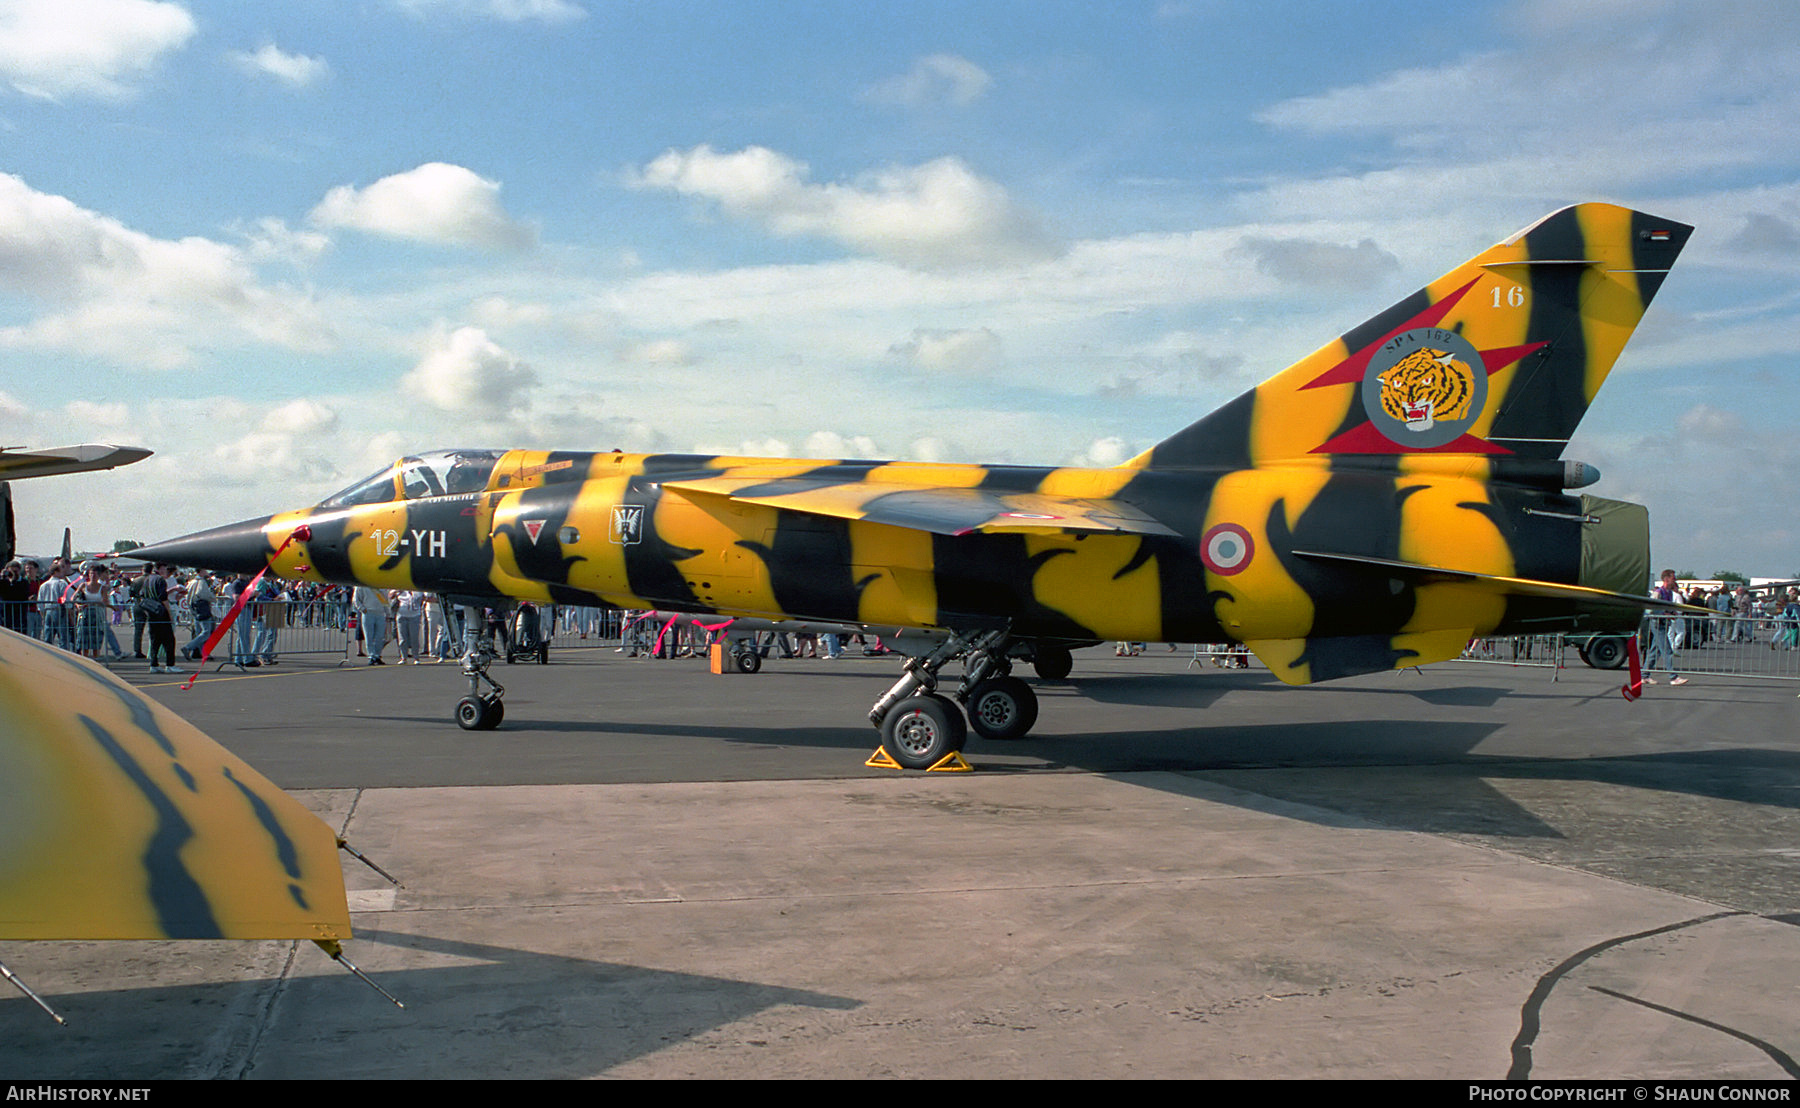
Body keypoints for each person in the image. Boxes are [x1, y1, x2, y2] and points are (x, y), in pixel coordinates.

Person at [1642, 569, 1688, 686]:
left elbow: (1667, 607)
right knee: (1667, 650)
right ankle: (1673, 677)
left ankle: (1644, 675)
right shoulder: (1658, 592)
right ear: (1666, 579)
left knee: (1655, 651)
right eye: (1673, 578)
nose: (1675, 580)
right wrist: (1664, 614)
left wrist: (1672, 613)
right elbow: (1650, 610)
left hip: (1664, 624)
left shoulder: (1670, 593)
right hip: (1657, 623)